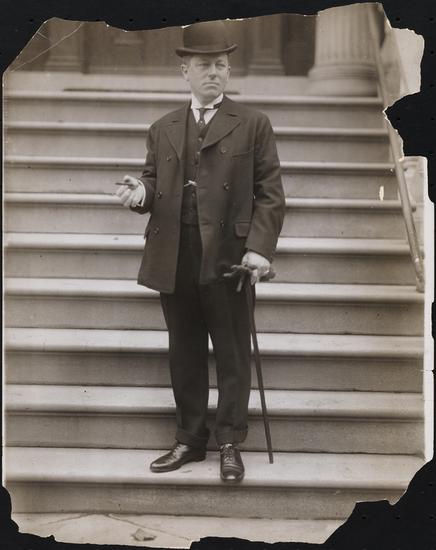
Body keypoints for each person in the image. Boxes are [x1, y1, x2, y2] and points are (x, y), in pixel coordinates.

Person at [116, 20, 285, 483]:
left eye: (221, 65)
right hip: (175, 252)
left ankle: (229, 442)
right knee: (184, 350)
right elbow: (153, 182)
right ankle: (190, 439)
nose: (214, 73)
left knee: (232, 351)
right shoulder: (163, 128)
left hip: (230, 256)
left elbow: (271, 194)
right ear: (185, 71)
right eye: (205, 65)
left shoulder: (252, 123)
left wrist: (259, 249)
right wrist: (140, 193)